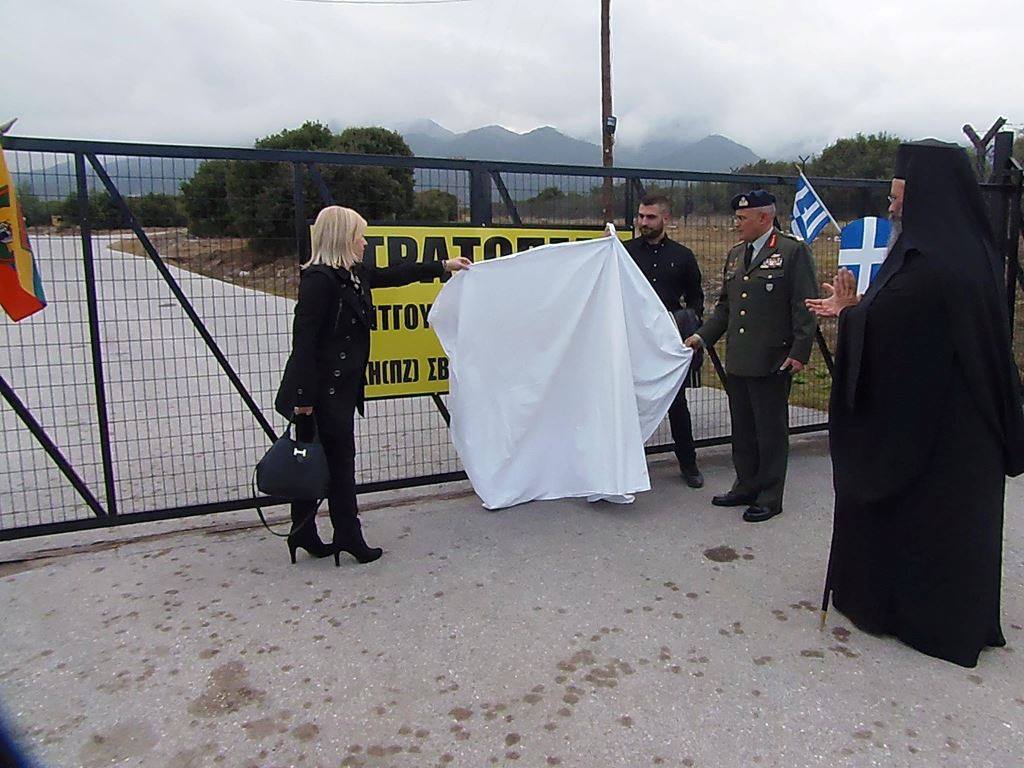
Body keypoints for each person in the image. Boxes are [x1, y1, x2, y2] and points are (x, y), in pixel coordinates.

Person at [808, 140, 1024, 667]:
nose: (890, 206)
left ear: (925, 197)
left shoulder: (929, 265)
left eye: (897, 196)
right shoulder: (966, 251)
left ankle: (921, 621)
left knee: (929, 533)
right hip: (952, 427)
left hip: (937, 436)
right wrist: (860, 310)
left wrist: (851, 312)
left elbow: (893, 336)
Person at [275, 206, 471, 565]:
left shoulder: (352, 274)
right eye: (359, 236)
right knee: (333, 462)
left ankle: (303, 531)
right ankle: (346, 535)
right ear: (342, 239)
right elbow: (303, 344)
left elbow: (396, 274)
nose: (364, 243)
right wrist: (303, 401)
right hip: (319, 393)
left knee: (319, 459)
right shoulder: (319, 281)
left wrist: (444, 266)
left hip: (340, 389)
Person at [684, 190, 817, 522]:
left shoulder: (791, 251)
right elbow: (726, 309)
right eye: (737, 217)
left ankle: (770, 496)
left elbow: (804, 306)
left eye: (743, 218)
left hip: (773, 360)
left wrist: (800, 352)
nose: (737, 223)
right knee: (743, 430)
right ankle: (745, 485)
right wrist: (701, 337)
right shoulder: (736, 254)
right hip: (740, 359)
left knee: (770, 432)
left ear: (764, 217)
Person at [625, 194, 705, 487]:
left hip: (668, 340)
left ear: (665, 219)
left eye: (650, 217)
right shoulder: (624, 252)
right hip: (633, 338)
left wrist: (689, 325)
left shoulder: (683, 256)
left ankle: (689, 464)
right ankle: (626, 466)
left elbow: (696, 298)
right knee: (626, 402)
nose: (643, 222)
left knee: (676, 403)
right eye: (640, 216)